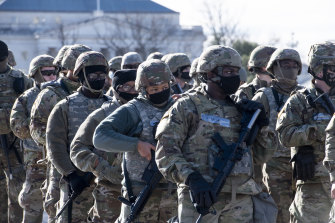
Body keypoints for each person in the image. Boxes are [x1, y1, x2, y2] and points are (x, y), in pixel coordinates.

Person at [155, 45, 277, 223]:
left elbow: (262, 155)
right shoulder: (187, 106)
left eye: (236, 71)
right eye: (228, 71)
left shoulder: (242, 108)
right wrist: (192, 178)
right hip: (201, 197)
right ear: (210, 73)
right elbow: (165, 152)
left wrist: (262, 126)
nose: (234, 77)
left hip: (240, 199)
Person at [93, 59, 177, 223]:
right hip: (141, 191)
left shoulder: (178, 106)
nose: (161, 91)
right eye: (154, 89)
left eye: (165, 88)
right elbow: (100, 136)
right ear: (143, 89)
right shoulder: (132, 110)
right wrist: (136, 145)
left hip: (173, 192)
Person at [47, 51, 111, 222]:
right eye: (93, 74)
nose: (98, 78)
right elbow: (55, 145)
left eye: (101, 74)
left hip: (108, 182)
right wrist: (70, 174)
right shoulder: (65, 106)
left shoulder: (114, 105)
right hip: (76, 182)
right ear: (82, 76)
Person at [29, 44, 90, 222]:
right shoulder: (51, 94)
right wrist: (60, 141)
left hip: (90, 163)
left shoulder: (95, 92)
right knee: (59, 210)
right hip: (61, 165)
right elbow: (36, 128)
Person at [276, 42, 335, 223]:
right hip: (312, 188)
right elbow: (284, 134)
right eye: (332, 67)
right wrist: (318, 130)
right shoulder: (300, 100)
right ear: (318, 70)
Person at [70, 69, 138, 222]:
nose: (133, 91)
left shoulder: (145, 111)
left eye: (136, 87)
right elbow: (77, 149)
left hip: (143, 189)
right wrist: (102, 168)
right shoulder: (102, 115)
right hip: (110, 191)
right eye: (127, 87)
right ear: (116, 88)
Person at [252, 48, 303, 223]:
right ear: (274, 68)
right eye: (285, 64)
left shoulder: (306, 96)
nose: (290, 68)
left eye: (294, 64)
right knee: (279, 215)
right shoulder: (264, 96)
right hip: (275, 167)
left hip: (303, 166)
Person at [10, 54, 58, 223]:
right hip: (36, 159)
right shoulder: (26, 98)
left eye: (54, 72)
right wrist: (38, 125)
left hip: (59, 157)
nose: (52, 76)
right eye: (46, 73)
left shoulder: (61, 93)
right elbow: (17, 126)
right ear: (36, 74)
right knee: (32, 203)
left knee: (57, 203)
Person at [0, 40, 33, 223]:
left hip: (15, 147)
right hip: (14, 144)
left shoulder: (21, 79)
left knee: (17, 194)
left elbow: (31, 112)